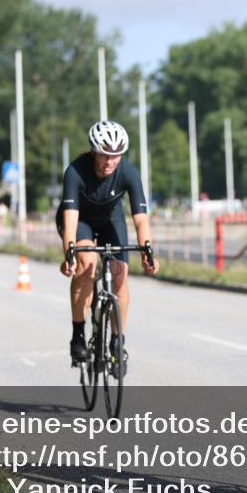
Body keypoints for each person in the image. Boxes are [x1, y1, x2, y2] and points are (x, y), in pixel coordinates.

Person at [57, 120, 160, 374]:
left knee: (120, 275)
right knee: (87, 263)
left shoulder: (128, 172)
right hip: (80, 219)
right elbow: (70, 219)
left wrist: (148, 251)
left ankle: (117, 340)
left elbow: (140, 218)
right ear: (94, 151)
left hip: (110, 219)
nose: (109, 162)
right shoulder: (75, 171)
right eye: (104, 155)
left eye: (115, 156)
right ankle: (79, 333)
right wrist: (69, 254)